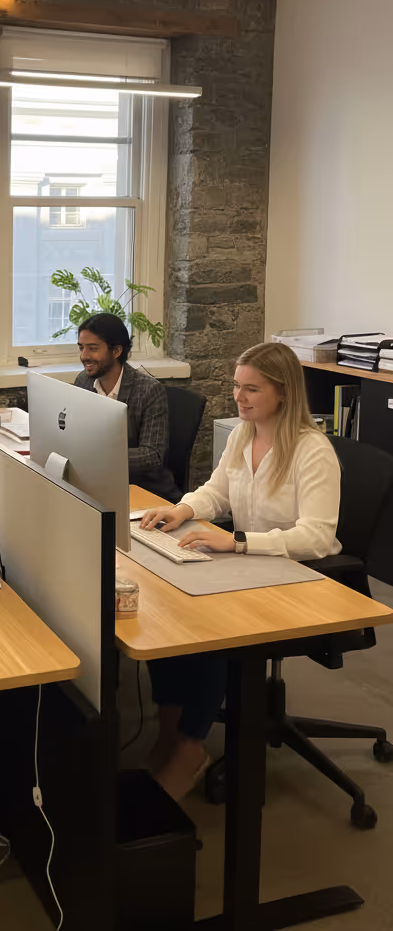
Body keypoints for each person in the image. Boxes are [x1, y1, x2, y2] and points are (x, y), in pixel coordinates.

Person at [138, 341, 341, 799]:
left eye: (252, 389)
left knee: (209, 634)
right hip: (250, 568)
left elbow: (317, 538)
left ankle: (191, 748)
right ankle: (168, 734)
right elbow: (217, 492)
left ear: (284, 393)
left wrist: (238, 542)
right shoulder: (243, 434)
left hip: (300, 579)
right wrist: (183, 509)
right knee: (171, 615)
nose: (239, 397)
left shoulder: (312, 451)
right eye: (236, 386)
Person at [74, 313, 180, 502]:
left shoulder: (149, 390)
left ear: (116, 351)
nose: (84, 356)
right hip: (99, 484)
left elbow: (151, 455)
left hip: (143, 489)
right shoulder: (83, 380)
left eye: (93, 348)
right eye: (81, 348)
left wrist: (98, 457)